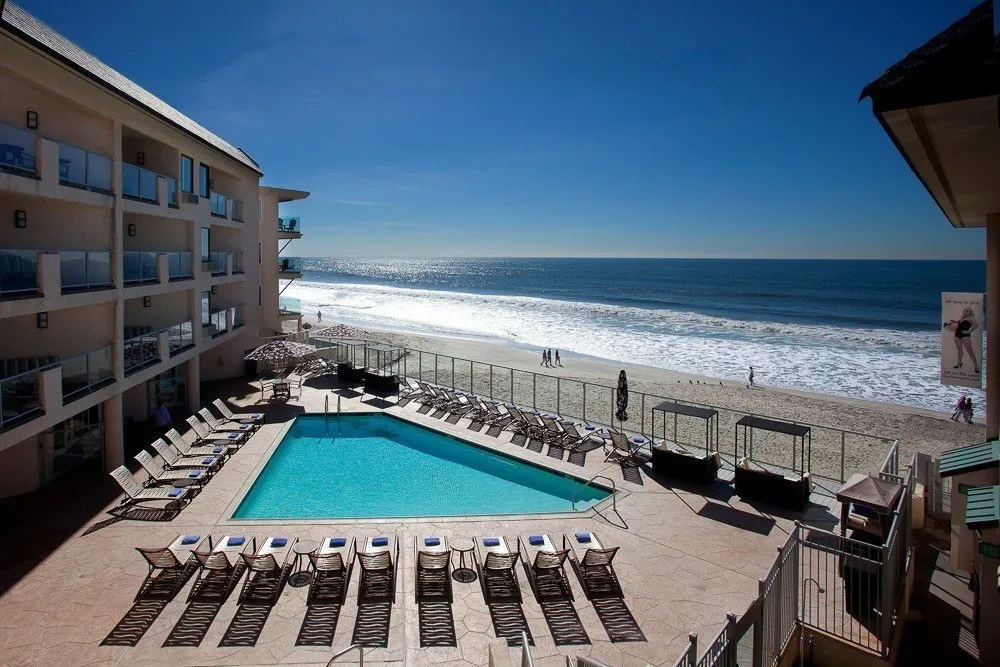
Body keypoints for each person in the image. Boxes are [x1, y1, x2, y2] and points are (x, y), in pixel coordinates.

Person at [944, 307, 981, 374]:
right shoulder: (962, 318)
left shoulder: (970, 318)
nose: (966, 310)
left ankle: (976, 366)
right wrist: (949, 325)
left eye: (968, 309)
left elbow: (976, 325)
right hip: (957, 335)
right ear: (963, 311)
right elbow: (955, 325)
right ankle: (959, 363)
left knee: (970, 351)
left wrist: (968, 332)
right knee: (959, 350)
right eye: (965, 309)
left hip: (965, 335)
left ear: (970, 312)